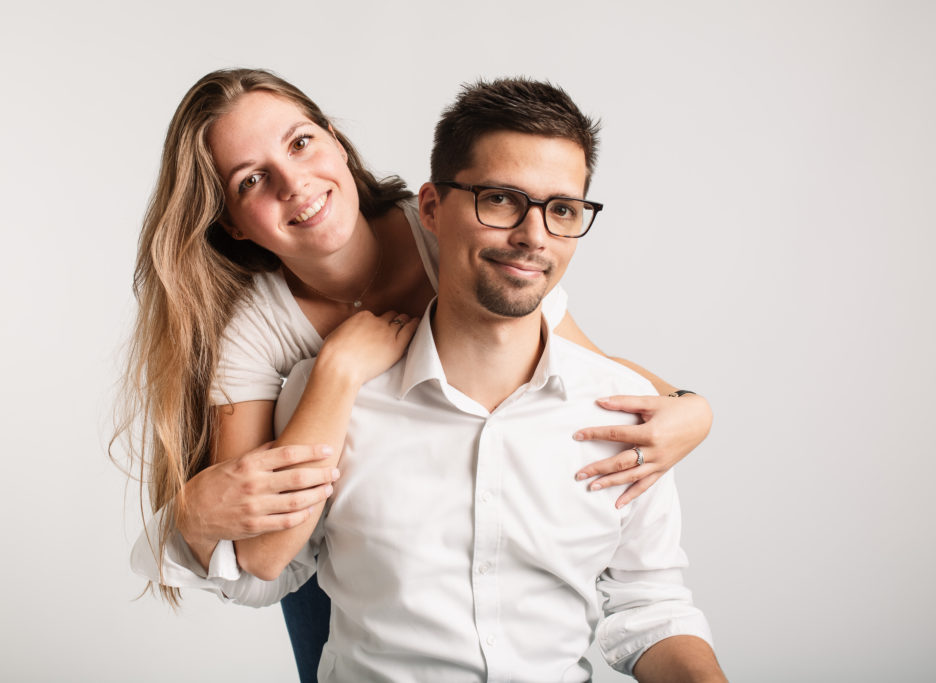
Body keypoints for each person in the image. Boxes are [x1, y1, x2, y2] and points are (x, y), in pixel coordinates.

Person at [119, 68, 714, 679]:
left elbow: (590, 369)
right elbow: (257, 543)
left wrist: (690, 407)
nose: (295, 184)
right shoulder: (254, 331)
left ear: (336, 142)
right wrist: (338, 371)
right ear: (232, 222)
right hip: (332, 511)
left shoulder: (464, 233)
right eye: (252, 179)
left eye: (300, 143)